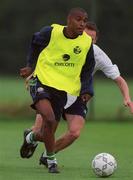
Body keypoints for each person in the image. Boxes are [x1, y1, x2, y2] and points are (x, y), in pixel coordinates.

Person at [21, 21, 133, 169]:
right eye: (84, 35)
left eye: (91, 39)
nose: (87, 40)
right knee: (40, 133)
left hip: (76, 96)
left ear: (95, 41)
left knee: (74, 132)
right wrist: (33, 73)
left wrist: (127, 98)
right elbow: (45, 59)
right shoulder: (64, 43)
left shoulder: (98, 54)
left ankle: (48, 155)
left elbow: (119, 79)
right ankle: (31, 137)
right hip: (53, 91)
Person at [19, 8, 95, 173]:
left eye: (84, 20)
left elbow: (88, 68)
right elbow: (35, 42)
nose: (82, 23)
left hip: (64, 89)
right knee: (50, 119)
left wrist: (87, 89)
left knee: (48, 131)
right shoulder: (51, 32)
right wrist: (30, 66)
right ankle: (52, 161)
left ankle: (30, 137)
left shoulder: (86, 42)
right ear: (69, 20)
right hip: (41, 81)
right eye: (78, 19)